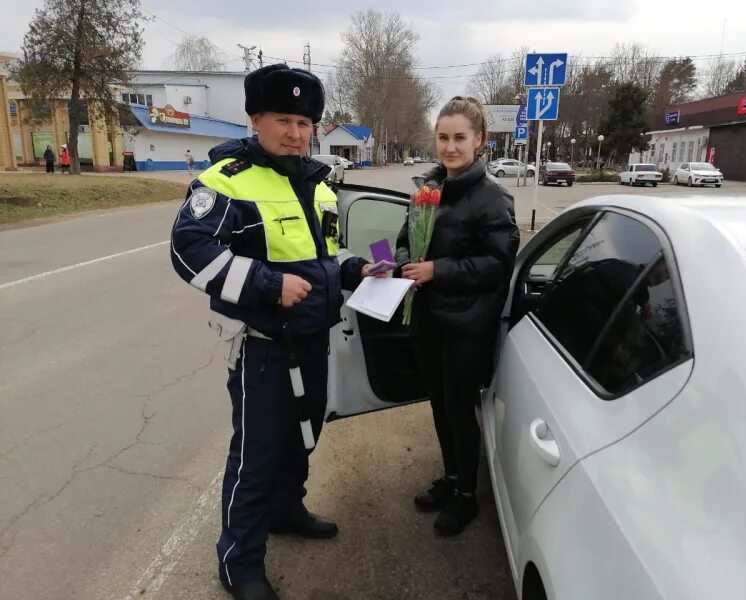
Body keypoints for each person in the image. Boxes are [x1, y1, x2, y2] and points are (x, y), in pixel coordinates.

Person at [170, 63, 381, 600]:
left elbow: (325, 257)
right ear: (256, 119)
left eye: (305, 122)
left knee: (303, 438)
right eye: (283, 119)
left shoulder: (319, 187)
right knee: (256, 455)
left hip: (312, 342)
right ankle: (239, 564)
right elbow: (188, 251)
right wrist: (267, 284)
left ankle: (287, 510)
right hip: (263, 351)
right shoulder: (227, 181)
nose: (295, 132)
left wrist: (360, 270)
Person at [395, 96, 520, 537]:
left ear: (479, 141)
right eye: (444, 137)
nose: (450, 147)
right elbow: (404, 241)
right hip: (427, 319)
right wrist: (389, 265)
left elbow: (497, 264)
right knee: (438, 404)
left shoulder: (492, 198)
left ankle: (466, 495)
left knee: (459, 410)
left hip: (466, 325)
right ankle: (450, 479)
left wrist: (437, 270)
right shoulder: (428, 188)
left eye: (460, 138)